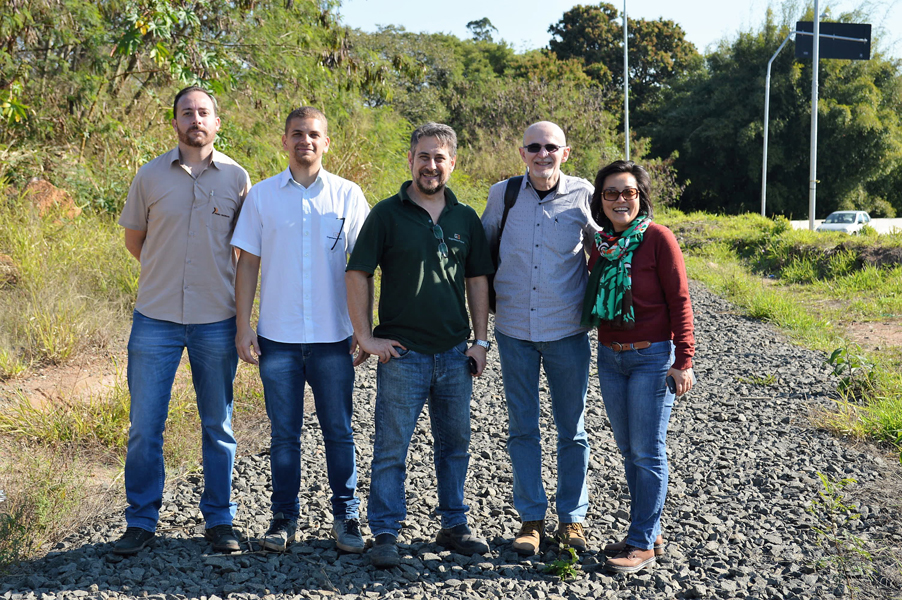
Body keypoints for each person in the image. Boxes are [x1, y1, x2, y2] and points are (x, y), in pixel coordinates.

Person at [345, 122, 494, 568]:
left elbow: (477, 279)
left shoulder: (465, 217)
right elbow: (358, 273)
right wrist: (366, 336)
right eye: (424, 156)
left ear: (452, 163)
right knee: (392, 448)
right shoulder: (386, 215)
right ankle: (386, 532)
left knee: (455, 445)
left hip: (453, 353)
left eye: (440, 157)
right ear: (410, 160)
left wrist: (481, 341)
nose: (431, 165)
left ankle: (453, 524)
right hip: (402, 354)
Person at [114, 86, 251, 555]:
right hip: (155, 319)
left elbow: (243, 251)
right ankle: (141, 521)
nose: (196, 118)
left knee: (218, 425)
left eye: (204, 112)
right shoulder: (150, 176)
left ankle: (219, 520)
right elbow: (136, 241)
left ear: (217, 122)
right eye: (187, 112)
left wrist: (241, 321)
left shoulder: (237, 178)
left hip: (216, 319)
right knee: (144, 426)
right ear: (174, 122)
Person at [231, 107, 370, 554]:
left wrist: (363, 329)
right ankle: (283, 518)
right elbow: (247, 263)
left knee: (339, 430)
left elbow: (364, 268)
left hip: (334, 338)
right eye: (297, 134)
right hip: (278, 338)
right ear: (284, 140)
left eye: (313, 134)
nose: (305, 141)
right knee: (284, 434)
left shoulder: (349, 196)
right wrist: (243, 326)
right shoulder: (263, 197)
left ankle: (346, 517)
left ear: (326, 142)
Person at [481, 121, 596, 555]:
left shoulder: (586, 195)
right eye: (534, 147)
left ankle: (572, 520)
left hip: (567, 330)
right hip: (514, 331)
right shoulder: (502, 195)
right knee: (522, 429)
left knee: (573, 429)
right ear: (522, 152)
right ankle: (531, 519)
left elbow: (606, 249)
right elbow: (482, 250)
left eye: (551, 147)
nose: (542, 154)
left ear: (565, 152)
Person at [581, 160, 695, 574]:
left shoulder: (658, 239)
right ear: (600, 201)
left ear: (640, 197)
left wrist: (684, 361)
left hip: (651, 357)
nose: (619, 200)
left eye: (627, 192)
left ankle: (642, 543)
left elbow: (680, 301)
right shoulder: (602, 246)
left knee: (648, 452)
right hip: (611, 358)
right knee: (630, 450)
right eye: (610, 193)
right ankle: (651, 530)